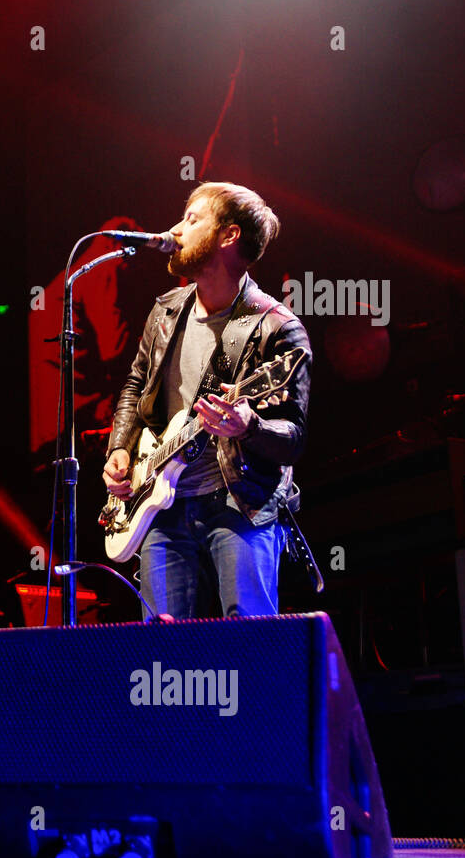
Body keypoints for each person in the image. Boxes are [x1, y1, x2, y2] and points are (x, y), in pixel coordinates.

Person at [101, 182, 312, 619]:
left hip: (240, 502)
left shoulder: (278, 328)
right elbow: (135, 385)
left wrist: (248, 426)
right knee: (164, 648)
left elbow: (293, 438)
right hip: (163, 503)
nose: (176, 230)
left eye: (192, 220)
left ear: (228, 236)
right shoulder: (166, 310)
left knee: (248, 638)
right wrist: (120, 448)